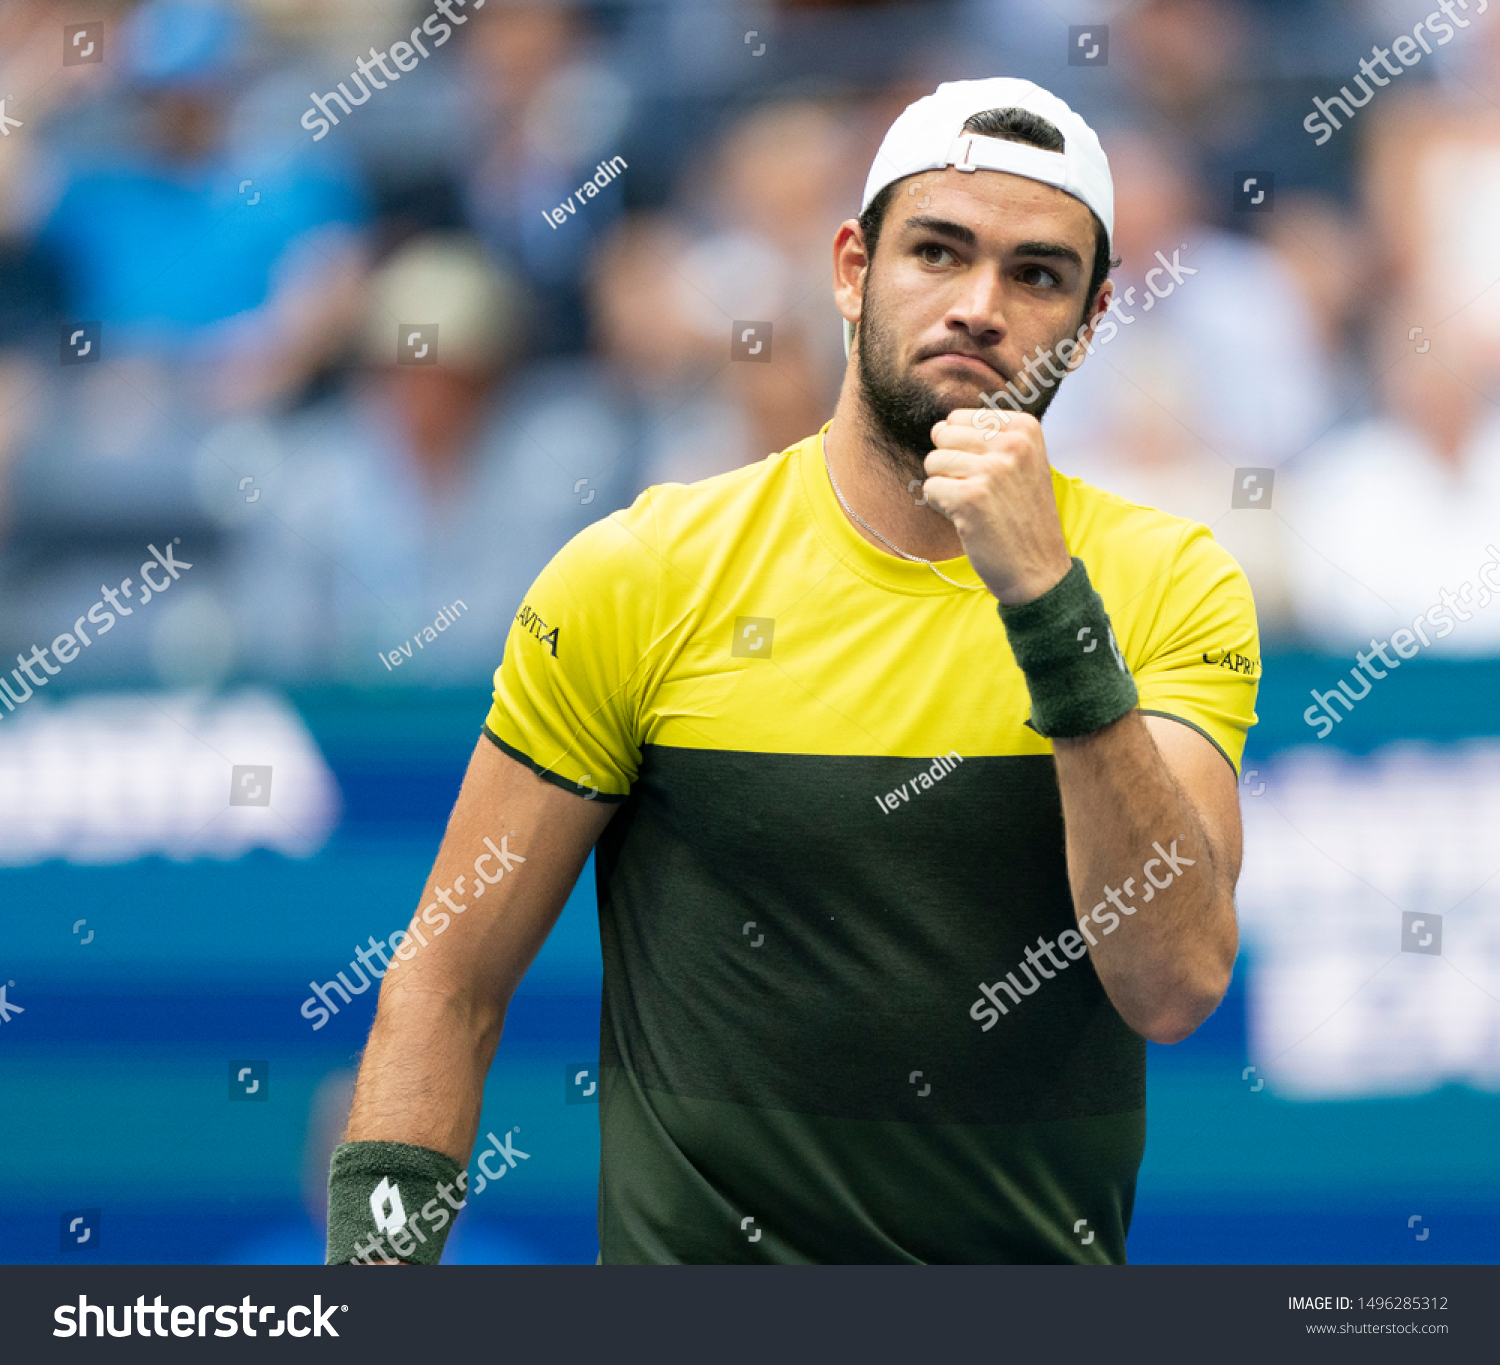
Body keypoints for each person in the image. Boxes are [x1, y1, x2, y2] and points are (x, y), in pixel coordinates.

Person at [325, 77, 1259, 1266]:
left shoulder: (1165, 580)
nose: (980, 306)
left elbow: (1173, 982)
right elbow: (446, 981)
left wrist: (1048, 605)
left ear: (1089, 320)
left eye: (1036, 276)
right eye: (938, 252)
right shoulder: (641, 577)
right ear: (852, 270)